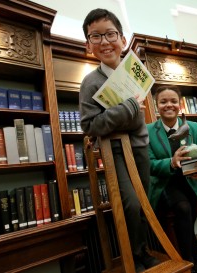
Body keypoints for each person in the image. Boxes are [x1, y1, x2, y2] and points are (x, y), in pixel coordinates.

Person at [79, 8, 159, 272]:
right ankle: (133, 255)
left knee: (144, 201)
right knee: (131, 203)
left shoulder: (135, 71)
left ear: (123, 40)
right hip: (115, 152)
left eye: (110, 34)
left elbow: (140, 118)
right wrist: (128, 109)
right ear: (88, 44)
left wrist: (132, 113)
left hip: (140, 147)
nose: (104, 42)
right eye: (96, 36)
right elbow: (90, 125)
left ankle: (143, 249)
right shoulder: (90, 82)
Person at [146, 85, 197, 272]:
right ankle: (192, 264)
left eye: (173, 101)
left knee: (187, 214)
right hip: (164, 186)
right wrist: (171, 162)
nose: (169, 105)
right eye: (163, 101)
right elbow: (148, 165)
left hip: (191, 184)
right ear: (156, 105)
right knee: (184, 209)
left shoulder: (193, 127)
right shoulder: (148, 130)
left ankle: (191, 266)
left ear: (179, 103)